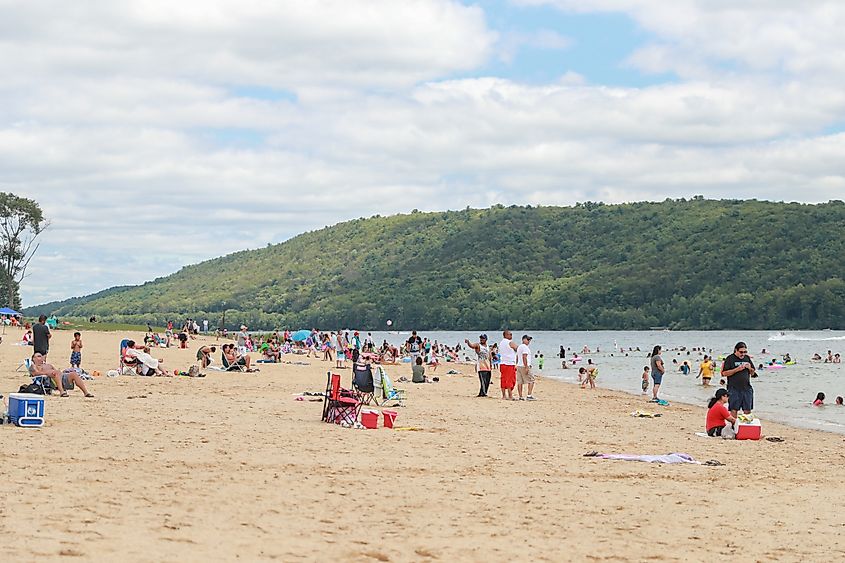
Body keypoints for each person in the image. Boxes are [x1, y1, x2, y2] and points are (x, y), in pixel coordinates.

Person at [722, 341, 756, 418]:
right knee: (734, 409)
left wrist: (750, 368)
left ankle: (746, 427)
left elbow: (753, 373)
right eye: (741, 352)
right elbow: (724, 373)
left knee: (748, 409)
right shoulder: (730, 358)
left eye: (745, 352)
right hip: (734, 388)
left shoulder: (747, 358)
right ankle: (734, 427)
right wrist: (736, 369)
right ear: (736, 350)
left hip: (746, 388)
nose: (743, 354)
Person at [498, 330, 519, 401]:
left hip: (502, 362)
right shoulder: (509, 342)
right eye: (510, 334)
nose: (511, 336)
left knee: (503, 379)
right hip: (509, 363)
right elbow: (517, 348)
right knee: (510, 379)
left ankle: (504, 395)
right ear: (506, 335)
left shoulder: (501, 343)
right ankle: (510, 395)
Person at [516, 334, 535, 401]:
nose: (529, 341)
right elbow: (524, 357)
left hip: (519, 366)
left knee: (520, 382)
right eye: (528, 339)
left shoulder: (519, 347)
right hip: (524, 366)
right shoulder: (525, 347)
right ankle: (529, 395)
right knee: (531, 380)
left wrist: (516, 364)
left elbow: (517, 356)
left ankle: (520, 396)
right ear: (523, 339)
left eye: (529, 340)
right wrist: (526, 366)